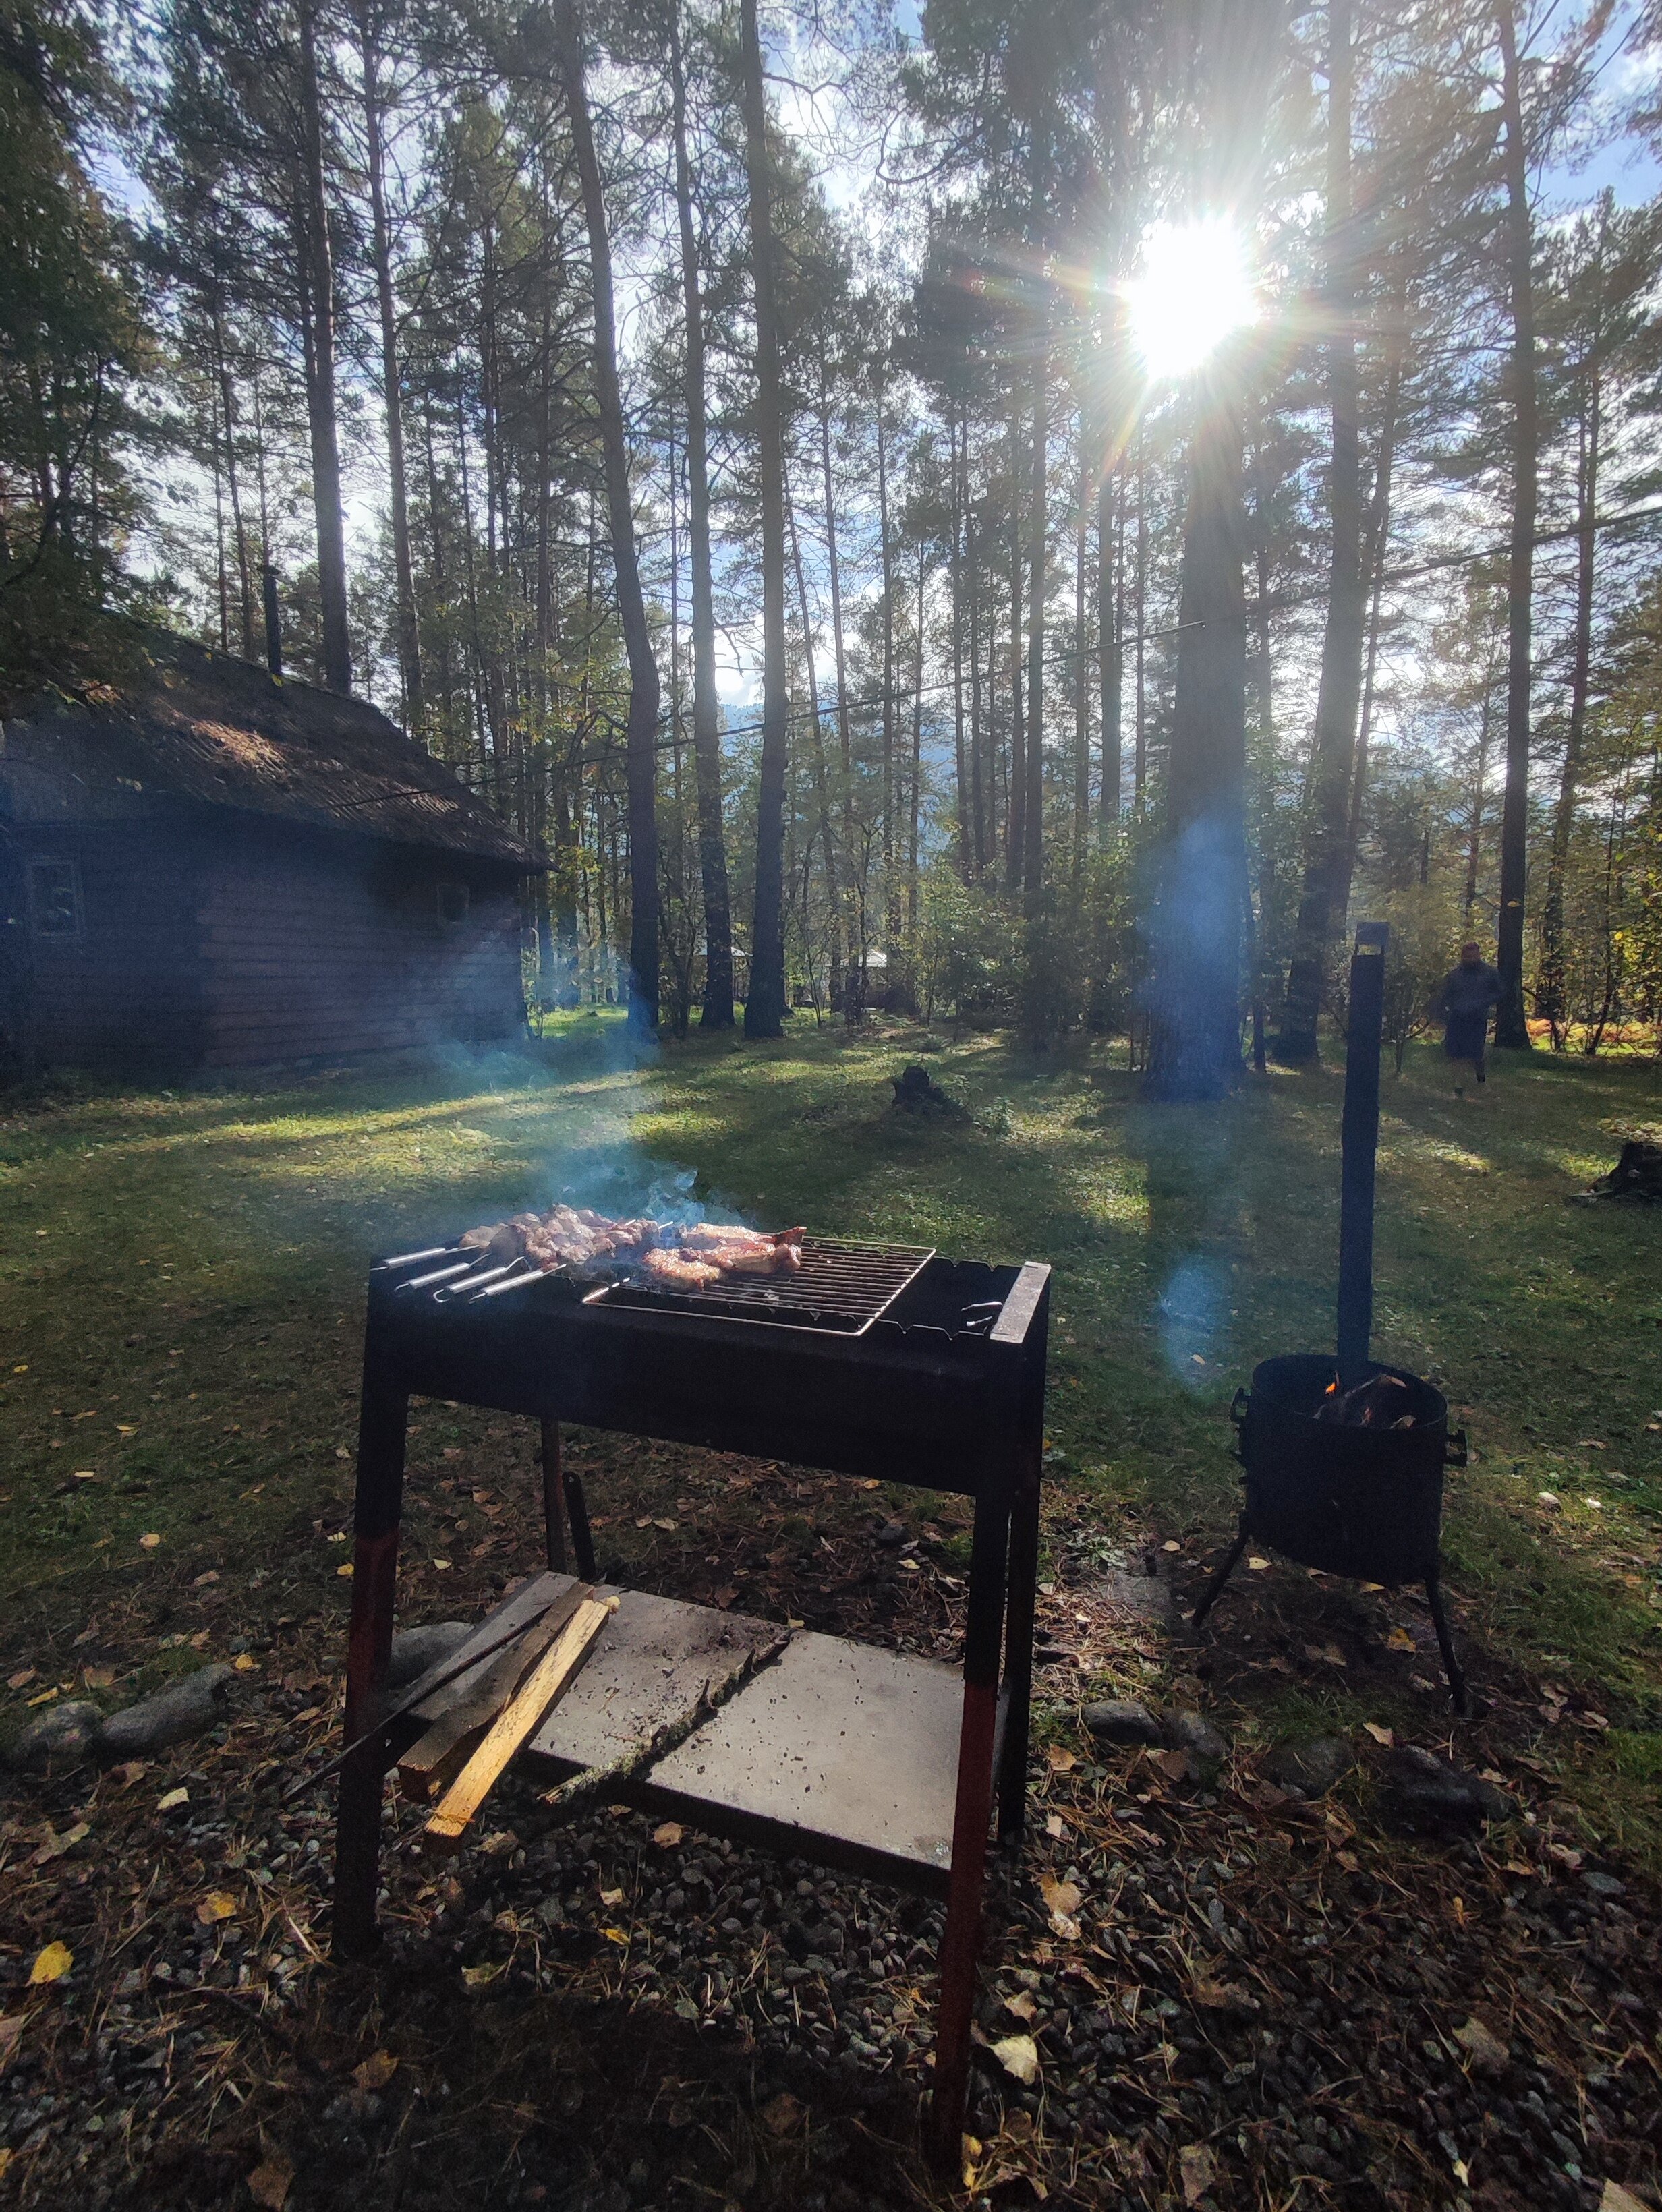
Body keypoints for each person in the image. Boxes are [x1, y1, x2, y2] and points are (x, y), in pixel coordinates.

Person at [1434, 940, 1501, 1096]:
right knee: (1455, 1052)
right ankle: (1458, 1085)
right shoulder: (1454, 975)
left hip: (1477, 1017)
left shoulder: (1489, 973)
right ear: (1462, 957)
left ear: (1479, 955)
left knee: (1476, 1051)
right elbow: (1445, 995)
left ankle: (1480, 1077)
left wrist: (1484, 1003)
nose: (1470, 960)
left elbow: (1499, 992)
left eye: (1473, 956)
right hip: (1457, 1017)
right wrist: (1444, 1012)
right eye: (1467, 957)